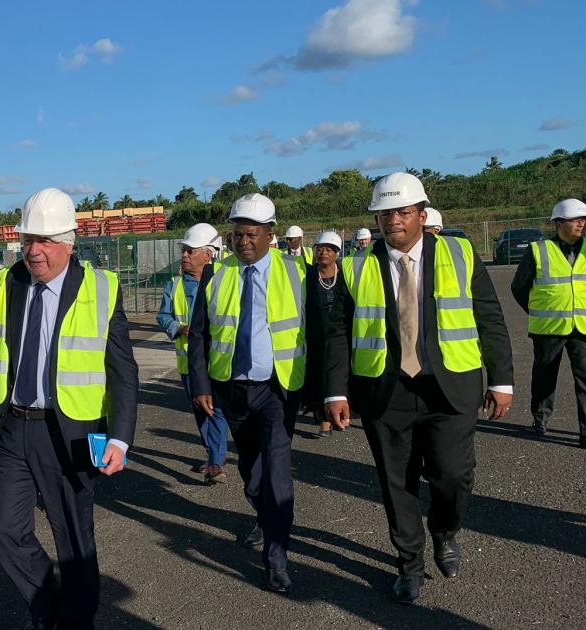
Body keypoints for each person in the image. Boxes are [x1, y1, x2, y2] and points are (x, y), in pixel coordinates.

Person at [325, 172, 513, 604]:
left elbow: (491, 319)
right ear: (376, 218)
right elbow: (337, 333)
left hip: (450, 388)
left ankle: (445, 531)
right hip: (385, 393)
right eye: (385, 212)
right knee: (397, 484)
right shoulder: (356, 266)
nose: (394, 220)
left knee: (453, 475)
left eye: (403, 211)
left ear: (421, 214)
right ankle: (409, 564)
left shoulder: (460, 253)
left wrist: (501, 379)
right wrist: (335, 392)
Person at [0, 187, 138, 630]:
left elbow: (123, 370)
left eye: (44, 242)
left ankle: (77, 621)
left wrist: (120, 436)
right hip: (12, 427)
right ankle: (48, 608)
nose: (33, 251)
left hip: (73, 432)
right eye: (28, 240)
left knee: (74, 538)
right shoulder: (7, 282)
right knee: (4, 530)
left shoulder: (102, 288)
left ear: (69, 241)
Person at [188, 192, 307, 594]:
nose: (243, 242)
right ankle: (266, 517)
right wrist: (201, 385)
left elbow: (320, 334)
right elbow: (200, 334)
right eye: (237, 235)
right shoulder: (217, 274)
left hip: (277, 389)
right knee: (252, 475)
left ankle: (277, 558)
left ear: (270, 234)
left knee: (276, 475)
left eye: (252, 234)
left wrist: (326, 393)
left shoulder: (295, 272)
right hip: (232, 390)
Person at [510, 198, 586, 448]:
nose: (581, 224)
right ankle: (540, 420)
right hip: (548, 329)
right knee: (544, 377)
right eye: (576, 220)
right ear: (558, 224)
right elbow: (519, 287)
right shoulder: (538, 250)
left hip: (583, 328)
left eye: (583, 220)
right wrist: (539, 311)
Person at [157, 223, 229, 483]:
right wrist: (178, 327)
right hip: (189, 363)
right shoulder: (174, 286)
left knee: (216, 410)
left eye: (190, 251)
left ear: (208, 254)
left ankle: (216, 462)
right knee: (201, 412)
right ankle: (213, 455)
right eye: (184, 251)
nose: (184, 256)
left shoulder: (224, 281)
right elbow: (163, 316)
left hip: (219, 360)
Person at [304, 230, 344, 437]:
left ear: (337, 253)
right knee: (319, 378)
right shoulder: (308, 276)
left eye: (329, 250)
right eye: (320, 249)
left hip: (340, 337)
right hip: (315, 338)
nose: (323, 253)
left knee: (336, 376)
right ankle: (324, 422)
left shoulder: (345, 276)